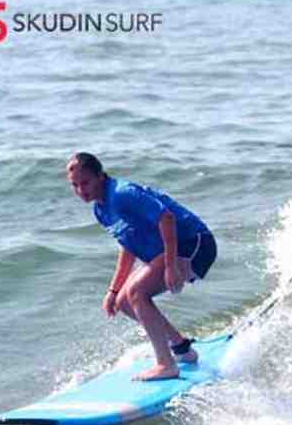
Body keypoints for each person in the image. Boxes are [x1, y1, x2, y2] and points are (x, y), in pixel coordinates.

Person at [65, 152, 217, 380]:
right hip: (172, 250)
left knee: (137, 292)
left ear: (100, 176)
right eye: (74, 185)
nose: (80, 190)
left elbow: (166, 217)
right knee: (123, 301)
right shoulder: (101, 210)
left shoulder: (122, 194)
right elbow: (128, 246)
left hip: (194, 243)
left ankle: (166, 364)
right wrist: (113, 290)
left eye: (85, 182)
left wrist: (171, 267)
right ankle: (181, 348)